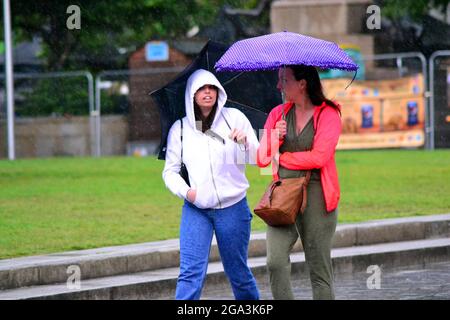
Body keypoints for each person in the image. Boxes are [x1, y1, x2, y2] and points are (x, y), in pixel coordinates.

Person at [162, 69, 260, 300]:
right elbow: (170, 172)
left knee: (238, 272)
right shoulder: (181, 129)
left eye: (211, 88)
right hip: (196, 210)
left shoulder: (234, 118)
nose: (207, 92)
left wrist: (245, 143)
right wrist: (188, 192)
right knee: (190, 273)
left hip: (233, 209)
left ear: (219, 91)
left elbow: (259, 160)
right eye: (201, 89)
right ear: (192, 95)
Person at [256, 64, 342, 300]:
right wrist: (276, 136)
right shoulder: (277, 114)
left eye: (284, 80)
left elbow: (320, 157)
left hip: (318, 195)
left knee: (318, 269)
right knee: (274, 261)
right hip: (283, 196)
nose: (278, 85)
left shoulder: (329, 114)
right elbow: (262, 158)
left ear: (302, 84)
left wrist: (282, 157)